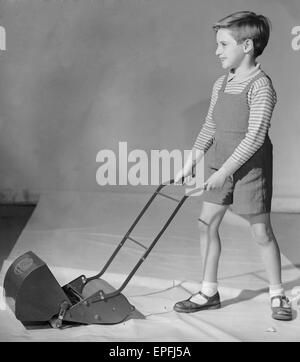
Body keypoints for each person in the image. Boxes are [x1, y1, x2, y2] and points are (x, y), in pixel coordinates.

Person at [173, 11, 292, 321]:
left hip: (250, 170)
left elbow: (254, 138)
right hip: (219, 165)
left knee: (262, 232)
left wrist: (224, 173)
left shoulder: (261, 86)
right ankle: (208, 291)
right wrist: (192, 160)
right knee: (206, 223)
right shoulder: (221, 83)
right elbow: (210, 124)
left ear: (248, 46)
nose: (217, 51)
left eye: (224, 44)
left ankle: (277, 294)